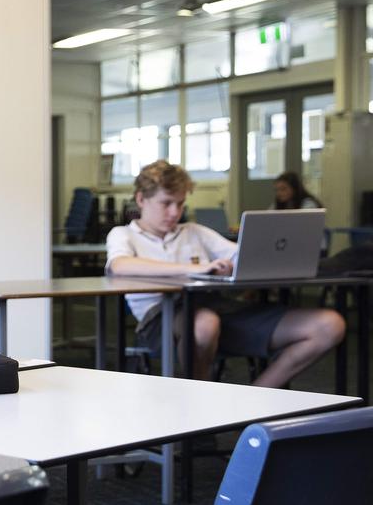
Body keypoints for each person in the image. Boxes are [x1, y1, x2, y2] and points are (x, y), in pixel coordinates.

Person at [105, 160, 344, 388]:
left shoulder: (194, 231)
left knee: (328, 325)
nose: (174, 212)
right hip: (162, 318)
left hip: (219, 308)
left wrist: (238, 265)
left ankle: (254, 398)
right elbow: (121, 265)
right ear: (141, 200)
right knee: (205, 324)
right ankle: (198, 407)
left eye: (180, 204)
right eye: (166, 203)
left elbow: (241, 255)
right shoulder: (123, 234)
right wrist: (195, 269)